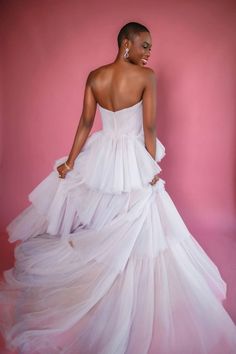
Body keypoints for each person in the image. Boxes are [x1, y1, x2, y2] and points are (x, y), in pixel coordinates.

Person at [0, 21, 236, 354]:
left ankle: (112, 271)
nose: (149, 52)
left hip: (102, 155)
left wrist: (71, 161)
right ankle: (121, 279)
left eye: (150, 48)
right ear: (126, 43)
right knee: (137, 215)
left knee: (110, 217)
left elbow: (85, 123)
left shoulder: (95, 76)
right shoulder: (147, 77)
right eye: (144, 45)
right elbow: (149, 127)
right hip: (131, 156)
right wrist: (150, 166)